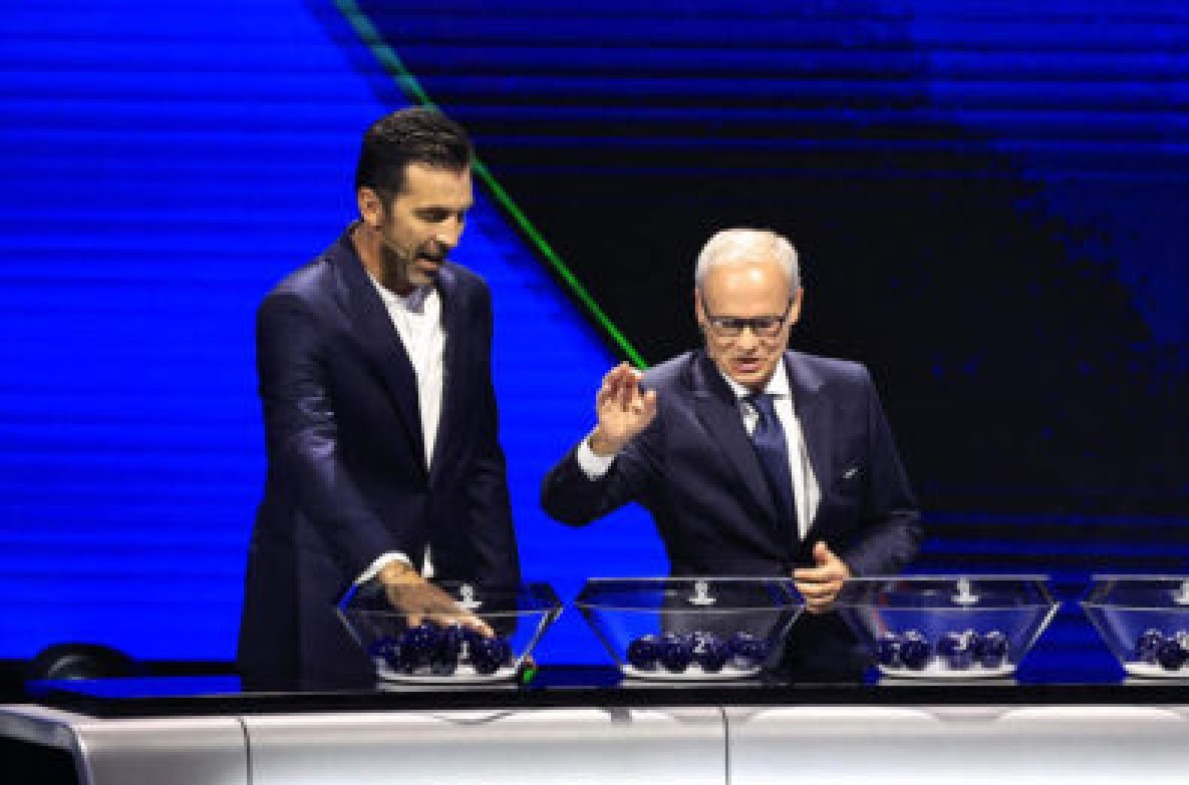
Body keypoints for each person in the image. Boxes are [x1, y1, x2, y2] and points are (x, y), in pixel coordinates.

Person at [542, 228, 922, 677]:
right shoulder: (661, 399)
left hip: (832, 660)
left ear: (795, 307)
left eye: (764, 324)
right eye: (728, 324)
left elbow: (898, 522)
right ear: (700, 308)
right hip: (710, 662)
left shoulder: (847, 389)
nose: (746, 344)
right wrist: (605, 444)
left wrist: (850, 570)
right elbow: (566, 507)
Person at [238, 107, 519, 689]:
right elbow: (306, 450)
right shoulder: (301, 308)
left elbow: (479, 456)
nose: (449, 237)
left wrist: (500, 604)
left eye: (461, 216)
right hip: (327, 606)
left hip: (447, 611)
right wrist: (392, 570)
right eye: (431, 216)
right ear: (371, 206)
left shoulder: (470, 299)